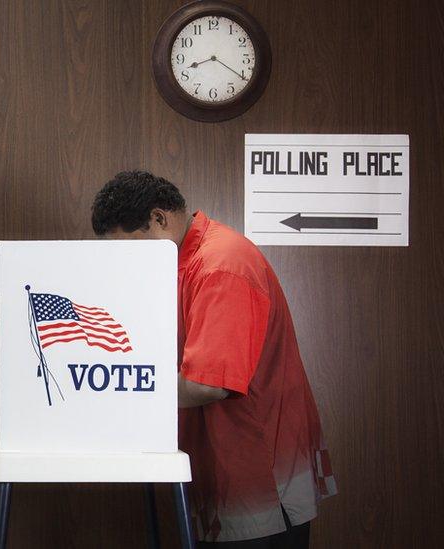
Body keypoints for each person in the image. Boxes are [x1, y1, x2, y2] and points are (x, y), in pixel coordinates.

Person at [91, 171, 336, 547]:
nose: (130, 264)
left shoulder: (221, 265)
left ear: (158, 218)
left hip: (255, 469)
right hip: (223, 465)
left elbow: (209, 383)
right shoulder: (184, 262)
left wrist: (117, 391)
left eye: (132, 248)